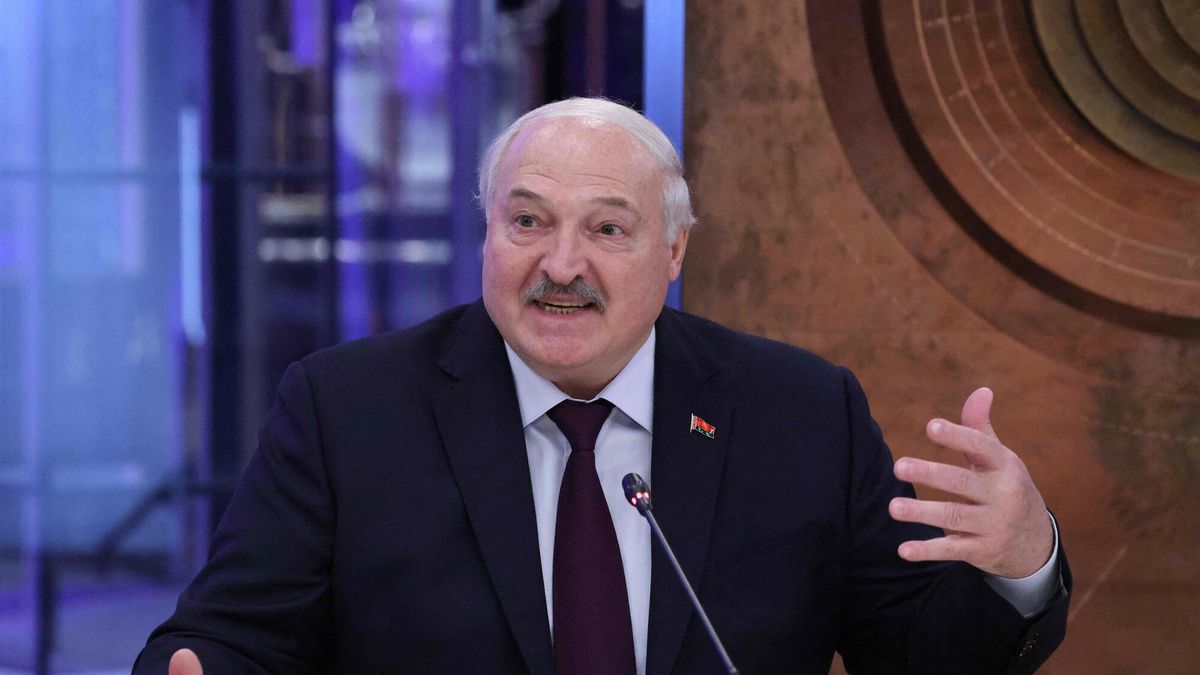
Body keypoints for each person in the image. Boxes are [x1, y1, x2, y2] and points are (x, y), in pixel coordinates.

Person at [135, 98, 1069, 674]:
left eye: (608, 230)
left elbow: (908, 657)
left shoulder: (800, 411)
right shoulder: (347, 408)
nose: (561, 263)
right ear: (486, 236)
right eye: (528, 220)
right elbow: (233, 639)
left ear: (674, 251)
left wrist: (1019, 562)